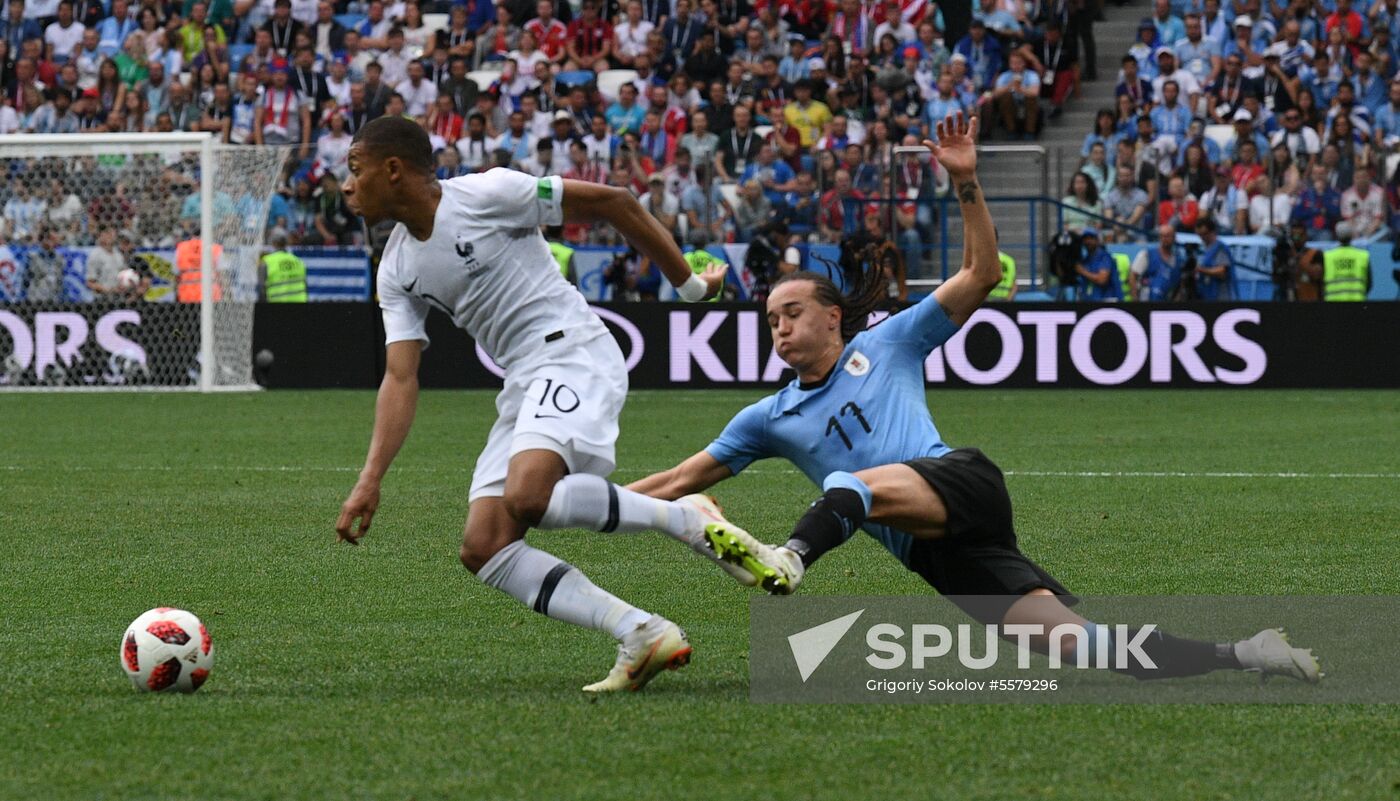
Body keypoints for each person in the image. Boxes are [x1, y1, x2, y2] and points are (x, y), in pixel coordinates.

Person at [627, 111, 1321, 687]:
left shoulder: (891, 341)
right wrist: (584, 503)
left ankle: (791, 558)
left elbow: (982, 272)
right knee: (1087, 646)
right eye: (771, 319)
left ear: (834, 317)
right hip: (935, 552)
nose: (779, 327)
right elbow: (682, 480)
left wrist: (966, 182)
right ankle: (1247, 651)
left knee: (846, 483)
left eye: (793, 312)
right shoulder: (768, 417)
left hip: (958, 483)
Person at [333, 116, 737, 693]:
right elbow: (401, 377)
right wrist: (370, 478)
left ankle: (685, 516)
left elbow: (616, 202)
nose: (346, 186)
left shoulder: (487, 193)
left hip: (574, 351)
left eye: (355, 170)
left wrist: (690, 285)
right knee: (485, 545)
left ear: (392, 169)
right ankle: (641, 632)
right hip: (524, 379)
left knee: (528, 494)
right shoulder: (395, 268)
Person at [1130, 224, 1183, 302]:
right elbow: (1133, 276)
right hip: (1147, 301)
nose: (1165, 239)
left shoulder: (1178, 260)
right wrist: (1135, 299)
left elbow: (1179, 284)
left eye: (1168, 236)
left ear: (1174, 237)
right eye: (1162, 236)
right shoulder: (1147, 255)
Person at [1321, 221, 1370, 301]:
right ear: (1351, 235)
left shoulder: (1327, 256)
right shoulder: (1363, 256)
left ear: (1336, 235)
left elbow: (1322, 282)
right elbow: (1369, 283)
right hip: (1357, 303)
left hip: (1333, 303)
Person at [1075, 227, 1122, 302]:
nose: (1088, 241)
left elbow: (1102, 279)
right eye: (1085, 239)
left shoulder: (1104, 257)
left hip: (1108, 301)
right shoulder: (1085, 260)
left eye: (1091, 238)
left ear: (1097, 240)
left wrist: (1082, 271)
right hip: (1089, 301)